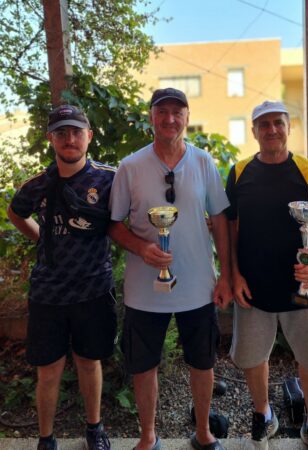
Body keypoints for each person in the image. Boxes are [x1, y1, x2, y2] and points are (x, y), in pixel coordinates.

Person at [108, 87, 232, 450]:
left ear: (187, 118)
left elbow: (220, 219)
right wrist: (142, 247)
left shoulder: (203, 162)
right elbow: (114, 225)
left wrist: (225, 274)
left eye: (178, 112)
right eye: (162, 112)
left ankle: (203, 432)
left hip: (198, 285)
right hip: (144, 289)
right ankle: (148, 436)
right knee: (143, 365)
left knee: (203, 361)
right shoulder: (131, 167)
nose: (170, 119)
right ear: (151, 118)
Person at [225, 101, 308, 450]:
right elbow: (230, 230)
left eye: (278, 123)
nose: (271, 130)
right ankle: (263, 414)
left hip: (303, 288)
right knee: (252, 356)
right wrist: (234, 275)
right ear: (254, 131)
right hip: (253, 288)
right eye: (264, 125)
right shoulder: (239, 172)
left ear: (289, 127)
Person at [7, 105, 117, 450]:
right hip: (48, 293)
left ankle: (94, 429)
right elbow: (15, 212)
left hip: (93, 289)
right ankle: (45, 438)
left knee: (89, 362)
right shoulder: (38, 184)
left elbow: (126, 220)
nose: (70, 139)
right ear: (51, 138)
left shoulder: (110, 178)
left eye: (76, 132)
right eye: (61, 132)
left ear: (89, 136)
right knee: (49, 370)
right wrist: (43, 237)